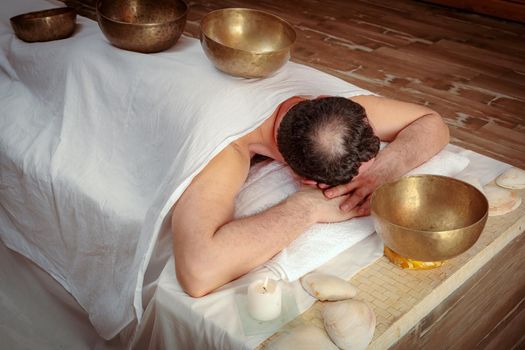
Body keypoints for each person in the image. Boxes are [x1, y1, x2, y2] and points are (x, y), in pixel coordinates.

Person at [171, 94, 449, 297]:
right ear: (303, 180)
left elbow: (432, 122)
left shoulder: (330, 115)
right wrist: (308, 207)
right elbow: (198, 272)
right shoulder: (226, 152)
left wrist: (385, 170)